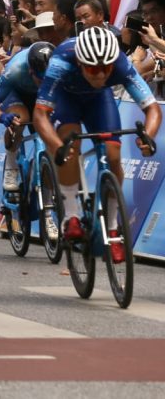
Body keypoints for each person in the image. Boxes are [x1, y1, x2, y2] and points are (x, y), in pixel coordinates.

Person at [33, 26, 161, 262]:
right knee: (70, 149)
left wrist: (148, 136)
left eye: (106, 69)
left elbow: (152, 108)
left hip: (99, 101)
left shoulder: (120, 64)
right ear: (80, 63)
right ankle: (70, 214)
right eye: (93, 69)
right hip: (66, 99)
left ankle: (112, 228)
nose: (100, 75)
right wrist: (57, 146)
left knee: (113, 155)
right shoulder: (61, 60)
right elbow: (40, 114)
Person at [0, 41, 56, 237]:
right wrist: (2, 117)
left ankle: (49, 213)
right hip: (18, 94)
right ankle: (11, 164)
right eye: (38, 78)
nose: (40, 81)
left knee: (51, 137)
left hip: (42, 99)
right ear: (30, 70)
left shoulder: (59, 69)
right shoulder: (15, 69)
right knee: (19, 119)